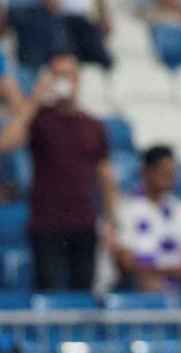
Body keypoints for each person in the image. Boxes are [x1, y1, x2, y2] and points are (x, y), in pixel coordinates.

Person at [0, 52, 119, 291]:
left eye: (68, 75)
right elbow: (7, 143)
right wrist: (36, 98)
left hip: (84, 223)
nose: (64, 80)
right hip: (46, 225)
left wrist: (111, 222)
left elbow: (105, 174)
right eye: (58, 75)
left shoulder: (93, 125)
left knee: (83, 295)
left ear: (78, 79)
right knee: (49, 293)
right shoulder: (40, 119)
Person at [110, 146, 181, 293]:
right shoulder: (126, 209)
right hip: (142, 280)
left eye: (172, 172)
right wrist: (167, 269)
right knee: (150, 285)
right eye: (163, 171)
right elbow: (126, 260)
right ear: (147, 172)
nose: (170, 177)